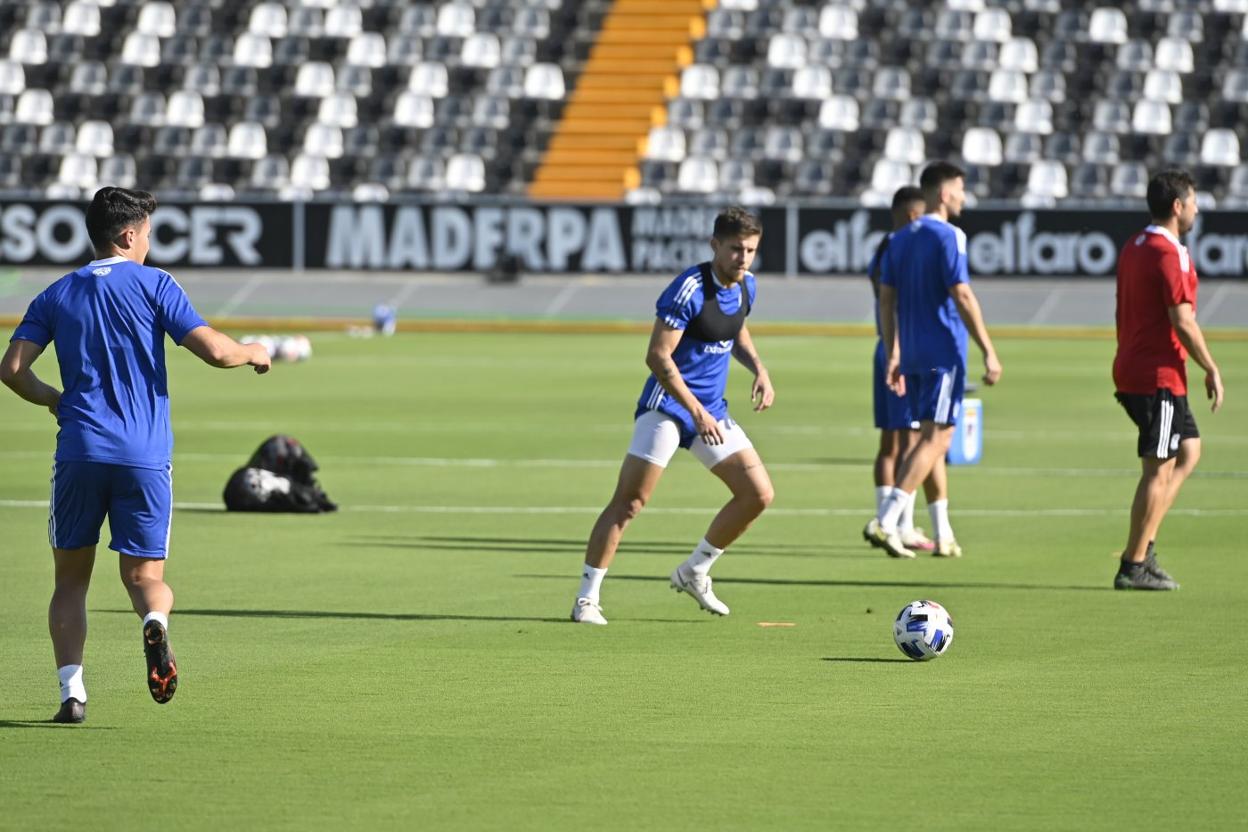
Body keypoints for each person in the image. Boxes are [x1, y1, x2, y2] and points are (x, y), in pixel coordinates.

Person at [0, 187, 271, 723]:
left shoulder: (56, 293)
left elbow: (11, 369)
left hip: (80, 451)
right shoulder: (155, 284)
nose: (149, 243)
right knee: (145, 578)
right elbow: (216, 352)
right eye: (147, 234)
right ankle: (155, 623)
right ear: (128, 236)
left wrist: (55, 400)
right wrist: (253, 352)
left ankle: (72, 694)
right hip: (144, 456)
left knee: (70, 582)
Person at [570, 207, 775, 625]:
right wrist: (694, 410)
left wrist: (759, 369)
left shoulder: (747, 286)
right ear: (715, 245)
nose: (743, 258)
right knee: (630, 502)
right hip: (667, 407)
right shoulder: (689, 288)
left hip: (710, 412)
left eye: (750, 250)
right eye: (735, 249)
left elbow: (735, 329)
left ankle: (694, 570)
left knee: (758, 494)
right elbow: (657, 355)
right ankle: (586, 599)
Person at [868, 162, 1002, 559]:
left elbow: (886, 300)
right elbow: (962, 293)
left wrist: (893, 351)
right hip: (942, 353)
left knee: (929, 439)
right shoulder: (950, 235)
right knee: (936, 438)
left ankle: (943, 535)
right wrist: (988, 349)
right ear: (944, 194)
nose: (964, 198)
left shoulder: (898, 239)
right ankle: (887, 519)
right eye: (960, 189)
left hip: (911, 353)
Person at [1111, 169, 1224, 591]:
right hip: (1156, 376)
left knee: (1188, 451)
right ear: (1178, 206)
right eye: (1193, 202)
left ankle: (1144, 544)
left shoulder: (1135, 244)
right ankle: (1133, 564)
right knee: (1158, 469)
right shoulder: (1169, 252)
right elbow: (1183, 321)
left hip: (1139, 367)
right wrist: (1210, 367)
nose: (1196, 209)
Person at [862, 186, 941, 555]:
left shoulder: (883, 247)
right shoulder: (905, 249)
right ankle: (899, 526)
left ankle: (890, 520)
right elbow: (894, 304)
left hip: (886, 348)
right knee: (911, 441)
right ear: (913, 216)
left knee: (890, 443)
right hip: (904, 352)